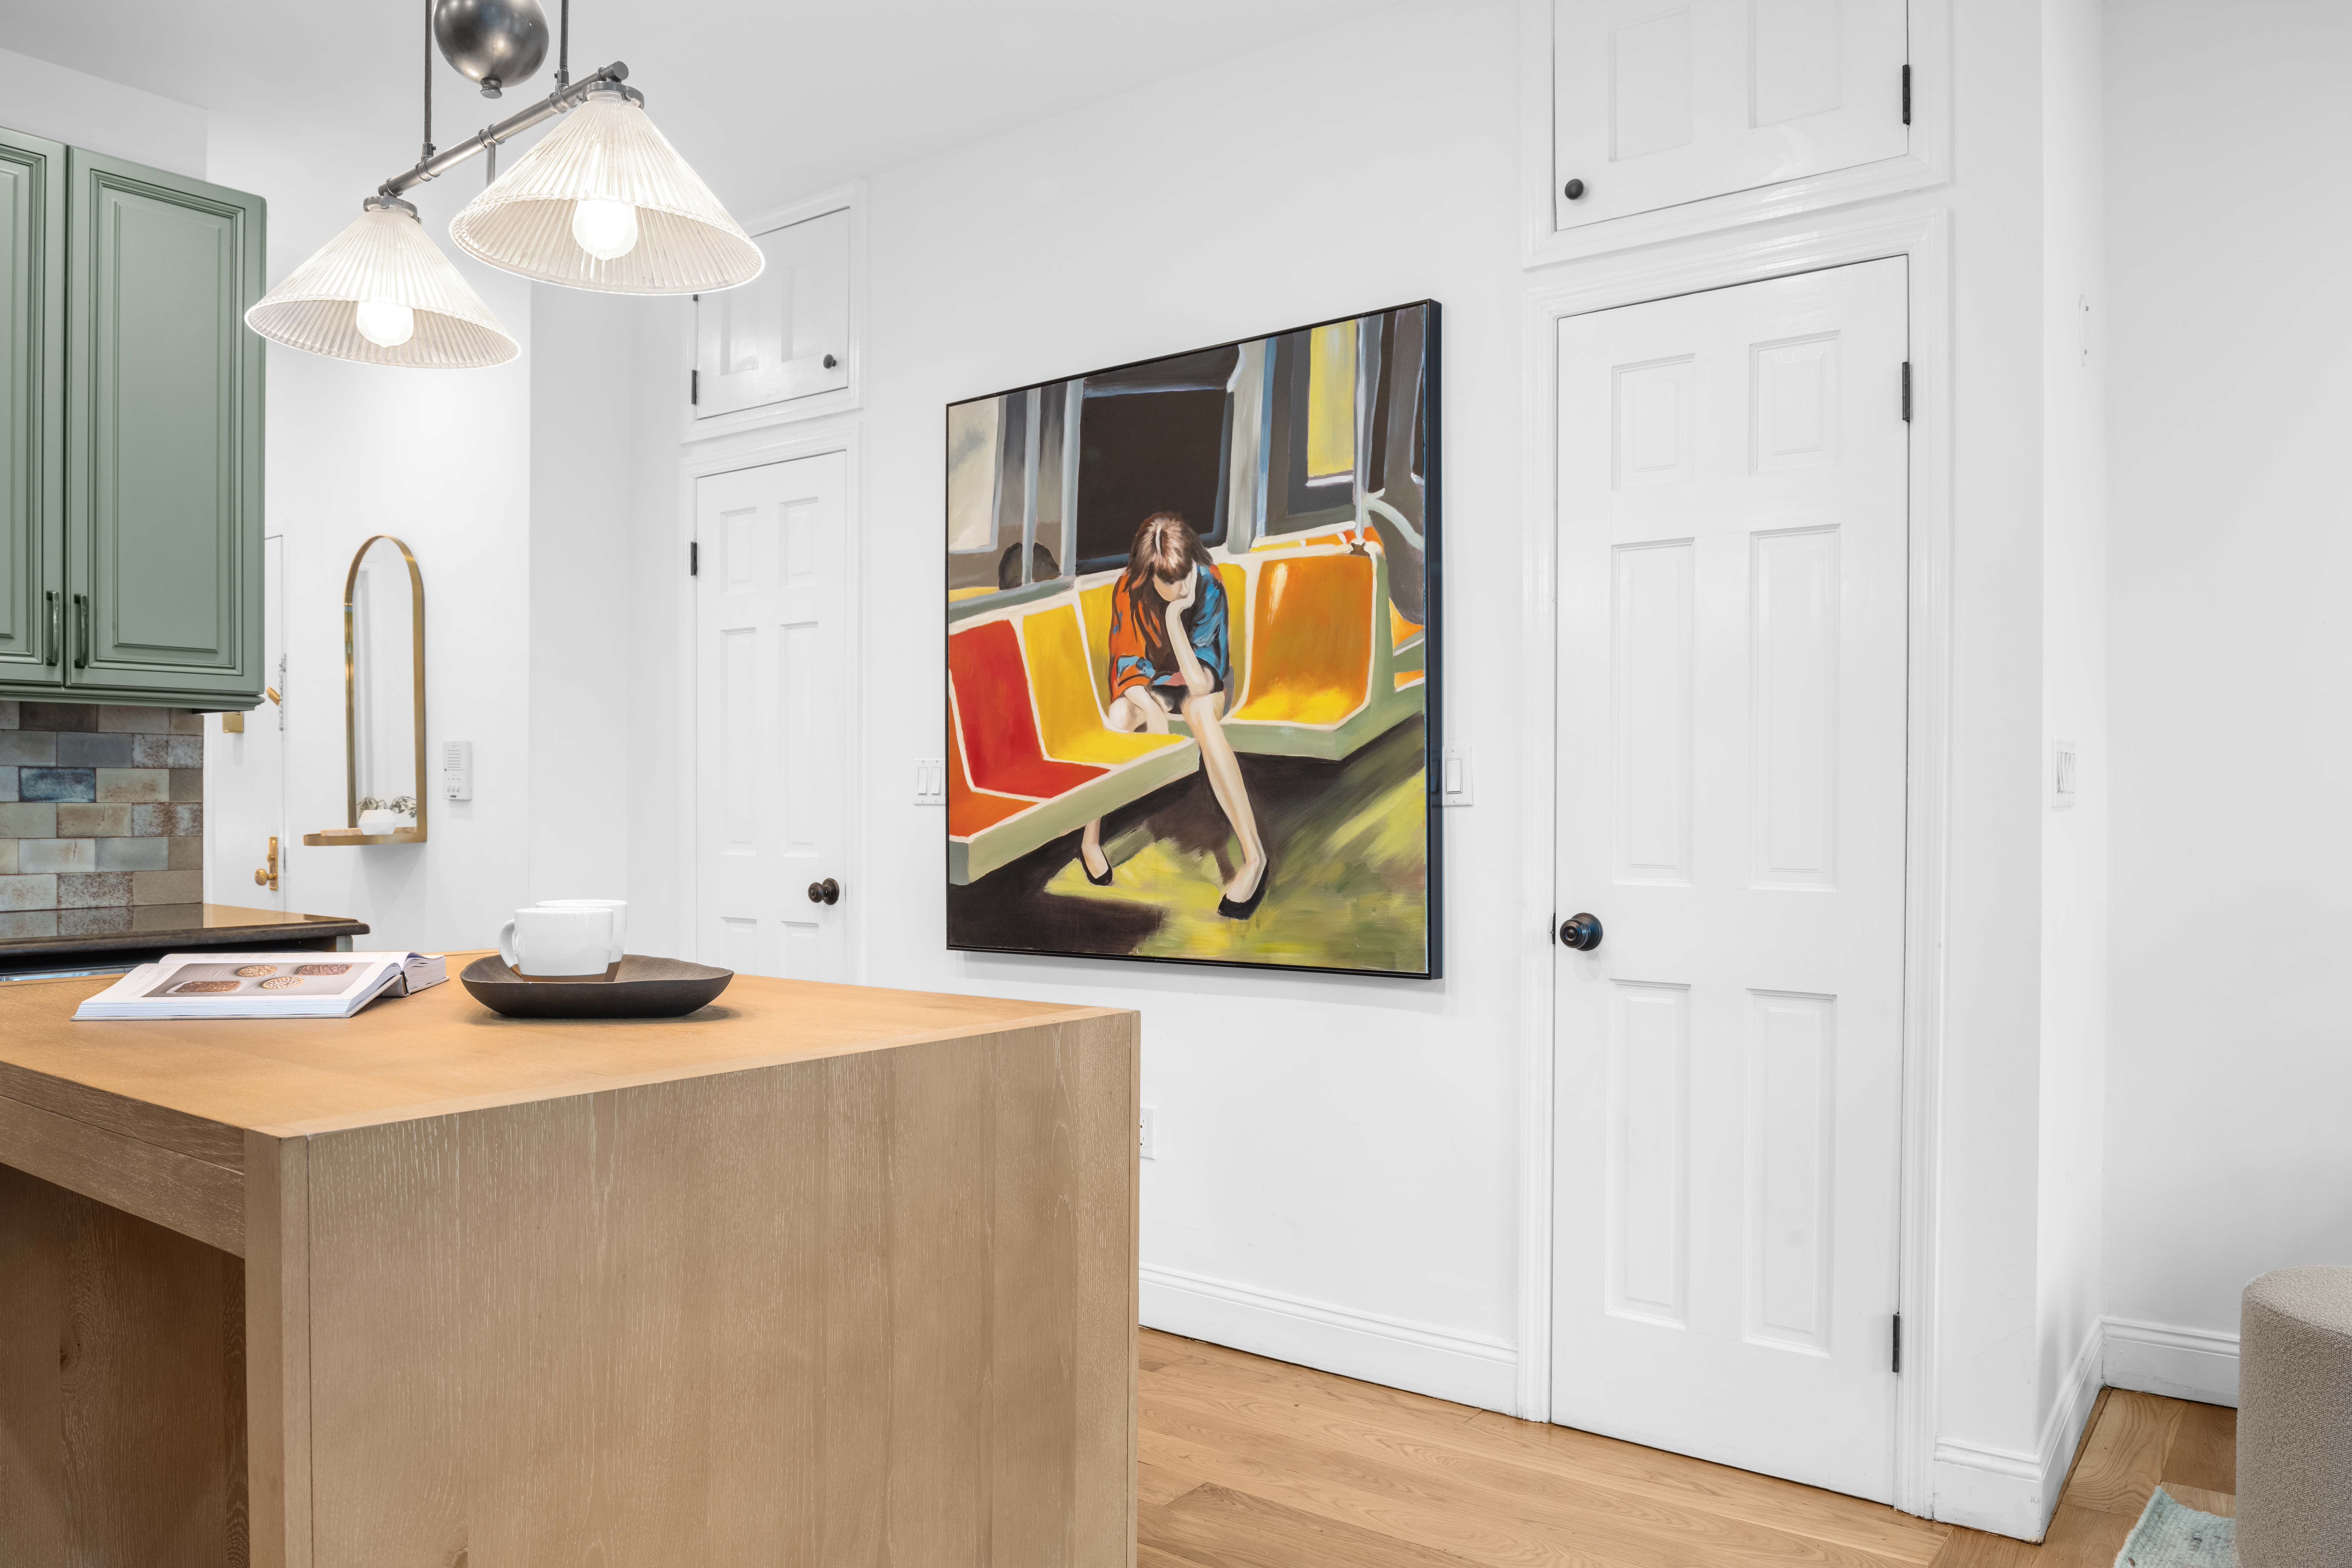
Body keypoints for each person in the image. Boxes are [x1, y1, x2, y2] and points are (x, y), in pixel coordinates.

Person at [1079, 512, 1269, 918]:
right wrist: (1150, 707)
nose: (1183, 586)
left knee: (1200, 712)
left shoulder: (1209, 584)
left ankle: (1254, 857)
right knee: (1119, 714)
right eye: (1171, 581)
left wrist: (1173, 617)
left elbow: (1201, 683)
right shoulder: (1129, 588)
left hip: (1204, 681)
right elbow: (1126, 667)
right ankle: (1090, 841)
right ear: (1149, 575)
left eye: (1185, 575)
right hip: (1156, 685)